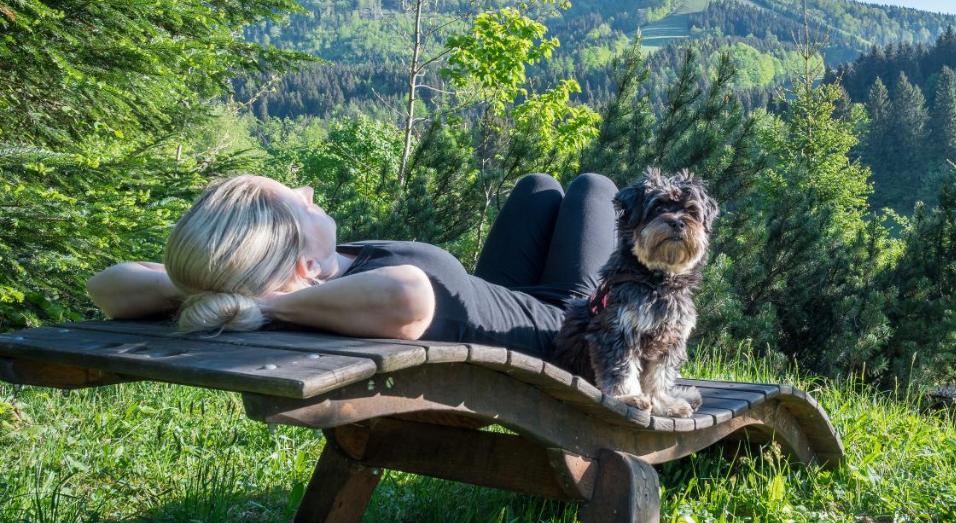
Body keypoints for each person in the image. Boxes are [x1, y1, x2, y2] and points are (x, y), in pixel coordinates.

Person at [86, 173, 619, 359]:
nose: (308, 189)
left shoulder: (278, 286)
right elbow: (409, 298)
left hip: (499, 298)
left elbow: (106, 285)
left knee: (538, 190)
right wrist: (266, 303)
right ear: (306, 263)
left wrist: (221, 293)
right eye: (300, 202)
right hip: (563, 325)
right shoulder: (367, 297)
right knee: (593, 187)